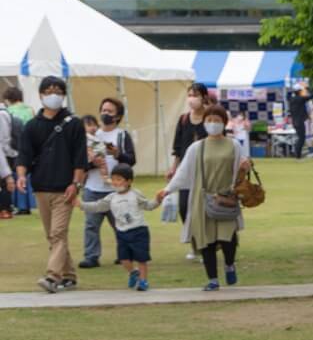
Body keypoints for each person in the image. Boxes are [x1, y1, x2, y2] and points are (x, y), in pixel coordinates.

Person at [161, 104, 252, 290]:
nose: (213, 124)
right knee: (206, 240)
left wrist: (245, 167)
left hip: (227, 198)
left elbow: (243, 165)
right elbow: (183, 172)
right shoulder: (197, 147)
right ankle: (213, 279)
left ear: (224, 123)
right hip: (202, 199)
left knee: (228, 238)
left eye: (217, 120)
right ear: (204, 123)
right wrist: (168, 189)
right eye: (209, 120)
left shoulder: (233, 145)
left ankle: (229, 264)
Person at [15, 76, 89, 292]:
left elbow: (79, 158)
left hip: (65, 188)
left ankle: (52, 277)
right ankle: (69, 275)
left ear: (64, 95)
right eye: (48, 91)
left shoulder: (74, 124)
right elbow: (24, 155)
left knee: (57, 233)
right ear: (40, 95)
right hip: (41, 187)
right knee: (53, 235)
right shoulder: (32, 126)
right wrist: (21, 176)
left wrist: (76, 183)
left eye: (57, 90)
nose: (53, 95)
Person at [78, 163, 159, 291]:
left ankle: (143, 281)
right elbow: (97, 206)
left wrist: (158, 200)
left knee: (141, 259)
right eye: (114, 179)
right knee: (124, 259)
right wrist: (81, 205)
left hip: (139, 231)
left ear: (129, 181)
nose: (115, 182)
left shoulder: (136, 194)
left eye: (119, 179)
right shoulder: (111, 197)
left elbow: (148, 206)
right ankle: (133, 273)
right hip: (122, 233)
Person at [79, 97, 136, 269]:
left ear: (118, 116)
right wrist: (92, 164)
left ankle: (124, 254)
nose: (105, 114)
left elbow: (131, 160)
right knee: (91, 225)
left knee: (121, 224)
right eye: (103, 110)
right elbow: (80, 161)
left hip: (116, 189)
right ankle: (91, 256)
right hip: (93, 187)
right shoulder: (91, 135)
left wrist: (118, 154)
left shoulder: (122, 135)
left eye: (109, 111)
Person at [170, 82, 210, 261]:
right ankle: (195, 245)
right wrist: (174, 167)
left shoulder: (210, 118)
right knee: (184, 207)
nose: (191, 99)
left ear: (204, 97)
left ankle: (206, 246)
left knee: (204, 209)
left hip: (206, 170)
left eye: (195, 95)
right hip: (186, 171)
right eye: (189, 95)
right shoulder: (183, 119)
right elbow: (177, 147)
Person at [5, 86, 36, 215]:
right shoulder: (30, 110)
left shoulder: (8, 111)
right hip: (30, 147)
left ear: (8, 99)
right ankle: (28, 205)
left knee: (15, 175)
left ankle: (16, 205)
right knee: (27, 176)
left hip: (13, 148)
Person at [288, 81, 312, 158]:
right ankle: (297, 155)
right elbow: (312, 96)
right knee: (301, 138)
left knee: (300, 138)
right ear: (299, 91)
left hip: (295, 121)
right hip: (300, 121)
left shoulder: (291, 99)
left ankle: (297, 154)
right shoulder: (300, 99)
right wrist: (307, 88)